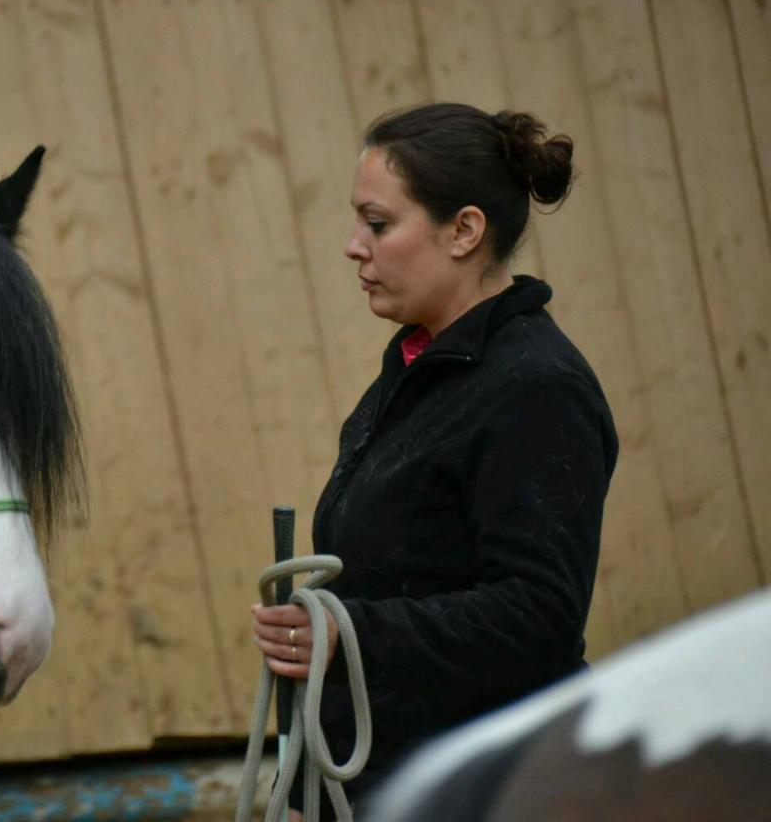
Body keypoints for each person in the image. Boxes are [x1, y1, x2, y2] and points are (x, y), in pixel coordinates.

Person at [251, 102, 618, 817]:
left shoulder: (536, 387)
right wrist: (304, 789)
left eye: (378, 223)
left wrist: (350, 631)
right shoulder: (422, 368)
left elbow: (538, 613)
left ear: (465, 230)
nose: (353, 246)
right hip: (394, 782)